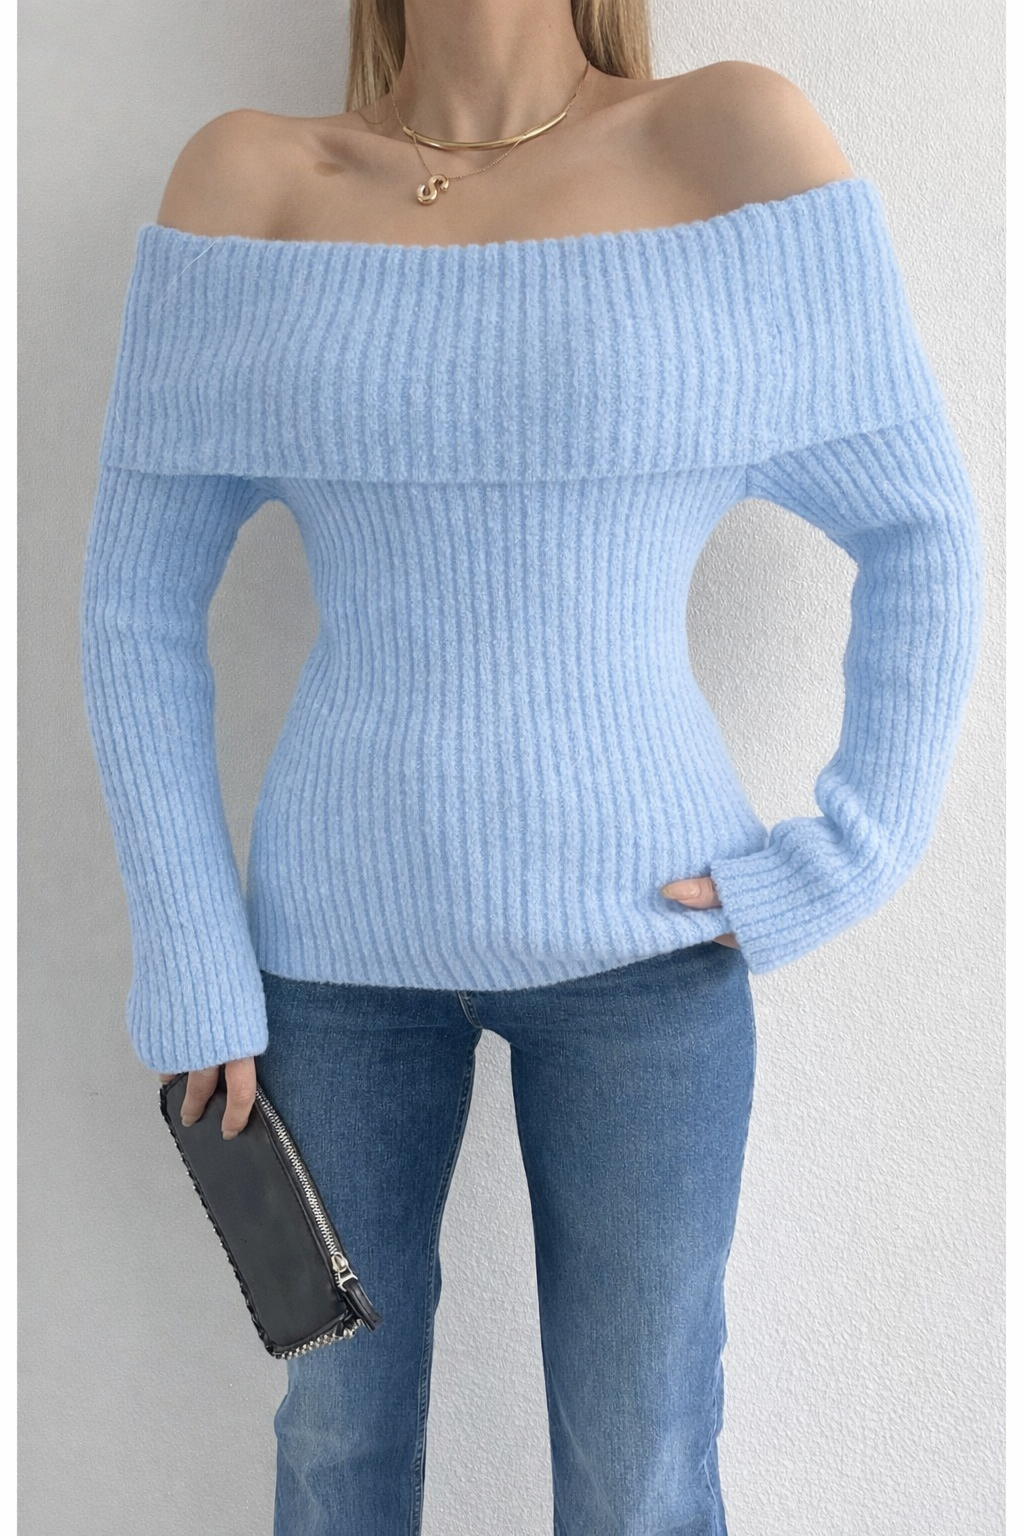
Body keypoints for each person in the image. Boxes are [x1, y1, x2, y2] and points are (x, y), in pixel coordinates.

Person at [79, 1, 985, 1532]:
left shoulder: (728, 141)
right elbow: (133, 603)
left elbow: (924, 528)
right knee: (336, 1451)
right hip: (324, 974)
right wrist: (187, 953)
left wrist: (848, 857)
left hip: (652, 957)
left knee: (641, 1471)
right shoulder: (253, 177)